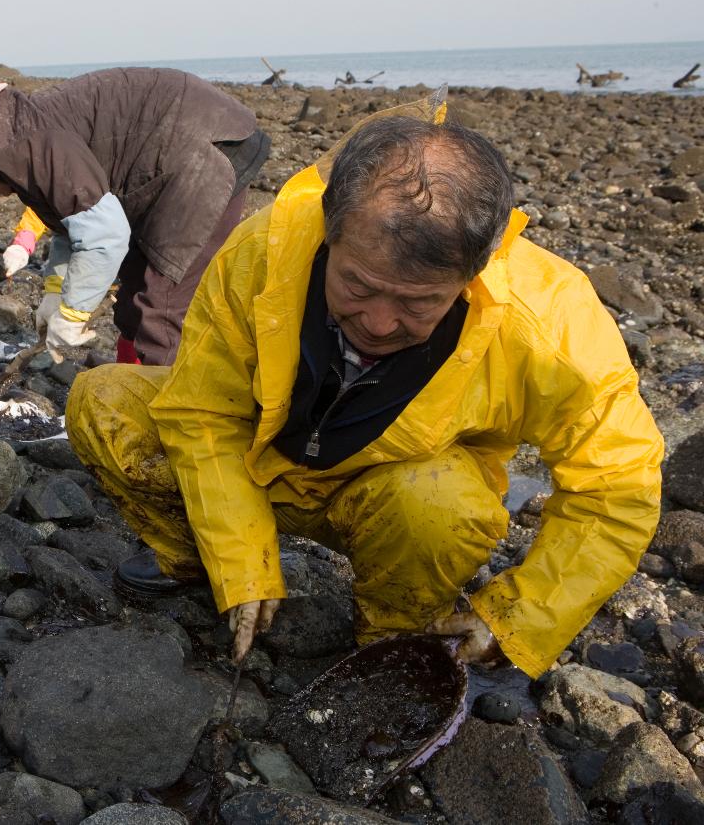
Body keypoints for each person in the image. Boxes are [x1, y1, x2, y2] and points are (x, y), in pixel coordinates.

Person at [65, 94, 663, 676]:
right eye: (357, 286)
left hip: (393, 494)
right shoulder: (265, 250)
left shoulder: (549, 323)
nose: (378, 323)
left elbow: (617, 487)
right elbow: (203, 413)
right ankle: (198, 555)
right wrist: (242, 564)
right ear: (330, 229)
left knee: (440, 505)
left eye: (417, 302)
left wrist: (517, 617)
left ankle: (390, 641)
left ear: (476, 269)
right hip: (259, 461)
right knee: (105, 400)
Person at [0, 68, 270, 365]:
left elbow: (104, 237)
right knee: (134, 299)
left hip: (205, 151)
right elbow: (70, 224)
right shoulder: (19, 139)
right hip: (163, 164)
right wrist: (56, 292)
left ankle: (170, 424)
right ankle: (130, 388)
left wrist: (74, 314)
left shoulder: (31, 143)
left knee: (162, 309)